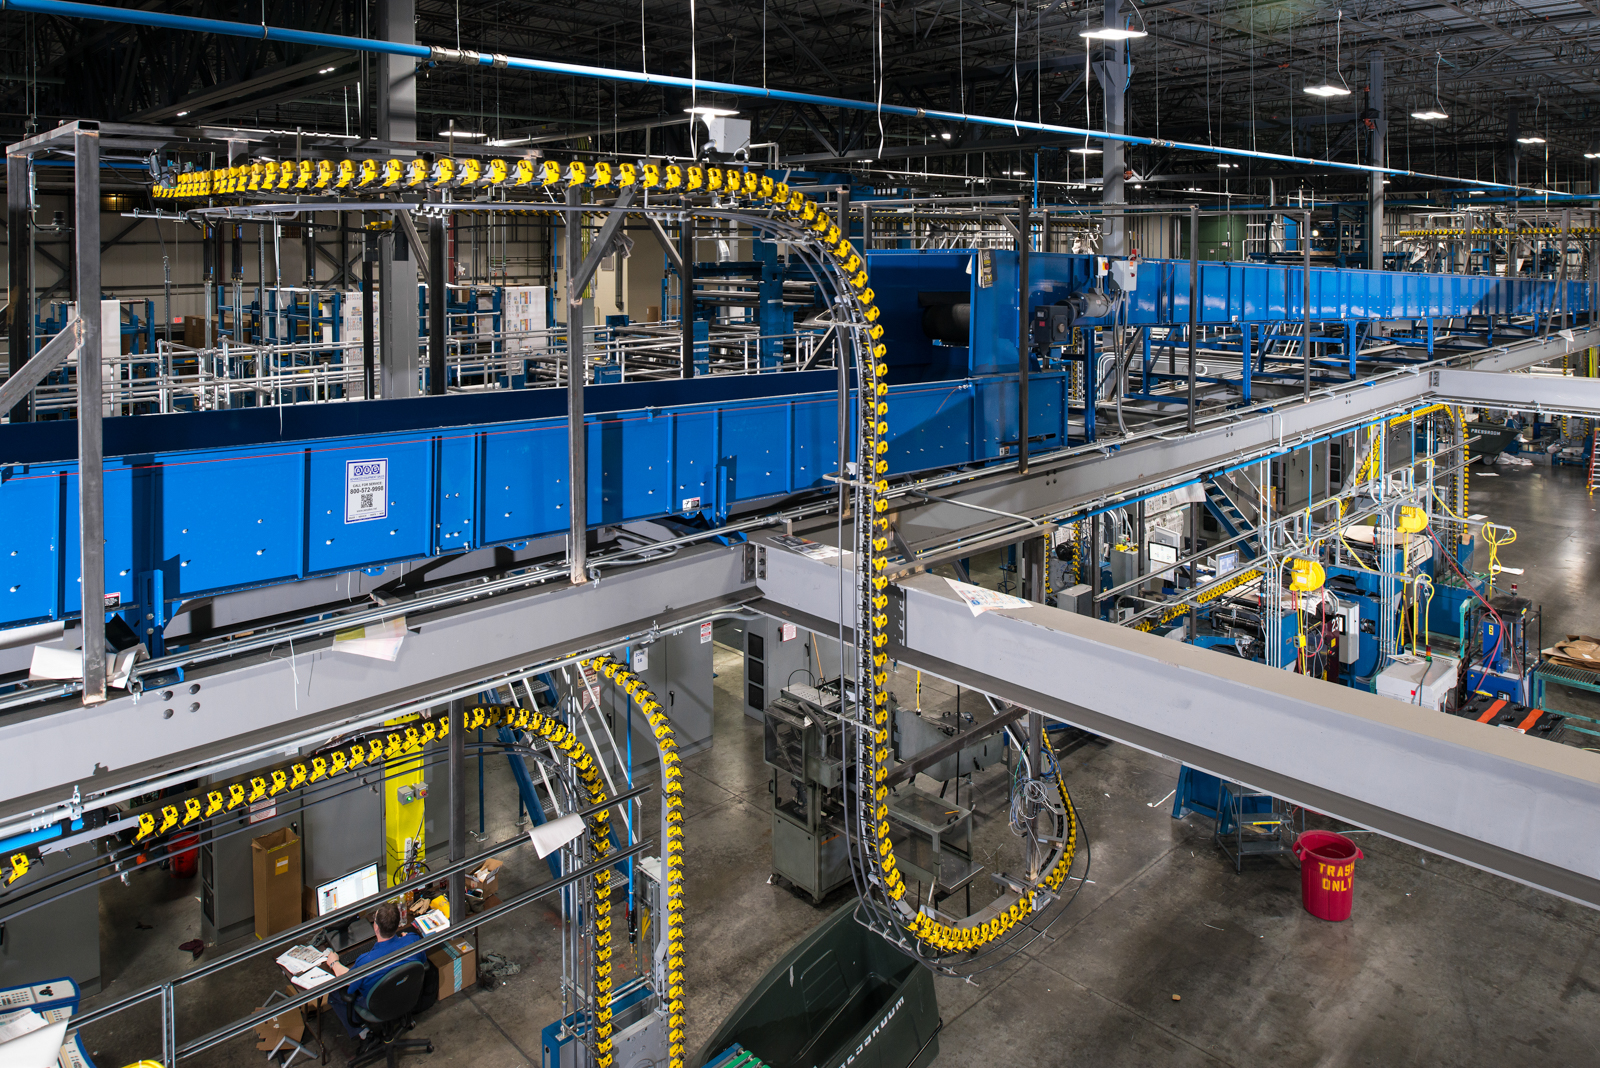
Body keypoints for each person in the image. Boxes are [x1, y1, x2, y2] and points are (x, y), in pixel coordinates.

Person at [323, 901, 426, 1040]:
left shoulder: (366, 961)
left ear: (376, 927)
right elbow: (423, 960)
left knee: (335, 992)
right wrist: (406, 938)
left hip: (377, 1004)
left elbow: (347, 980)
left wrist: (334, 962)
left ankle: (363, 1033)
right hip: (406, 995)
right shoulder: (413, 941)